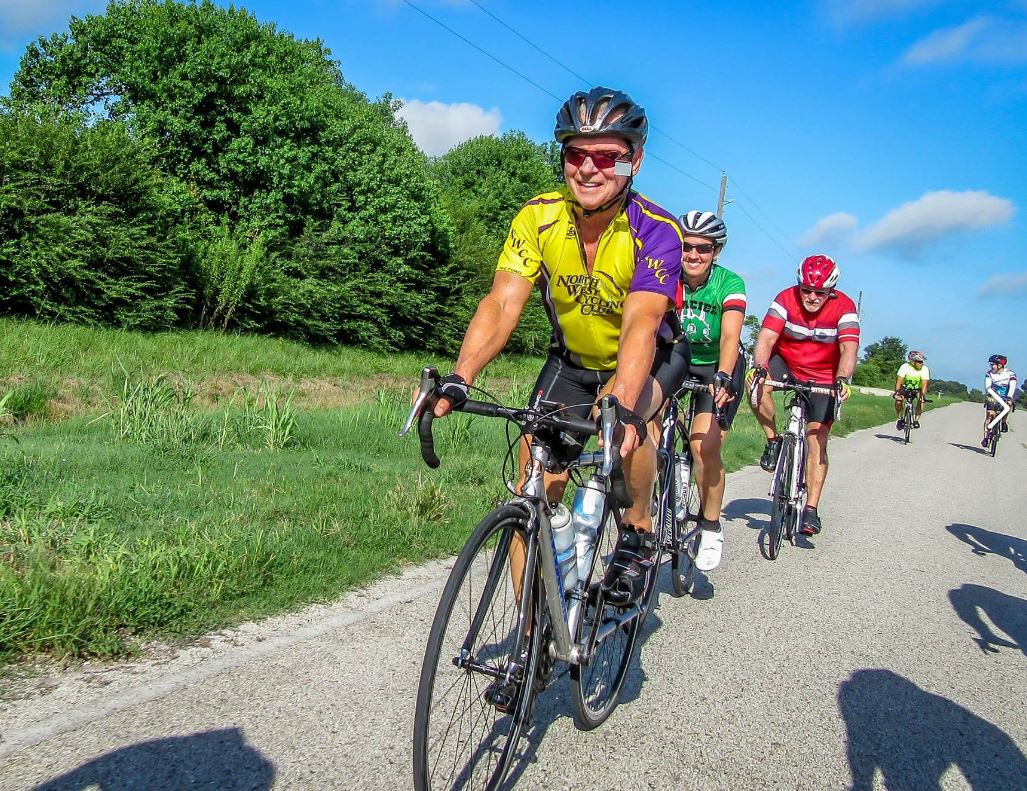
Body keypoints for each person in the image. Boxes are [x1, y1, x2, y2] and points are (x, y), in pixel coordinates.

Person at [433, 87, 686, 606]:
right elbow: (503, 303)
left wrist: (620, 402)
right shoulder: (537, 217)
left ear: (634, 161)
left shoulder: (657, 230)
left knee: (630, 428)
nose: (588, 169)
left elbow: (642, 324)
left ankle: (637, 532)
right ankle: (532, 643)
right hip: (570, 362)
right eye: (576, 154)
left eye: (606, 156)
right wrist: (463, 375)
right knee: (533, 485)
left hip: (648, 356)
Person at [747, 254, 859, 537]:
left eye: (819, 292)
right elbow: (767, 338)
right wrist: (760, 367)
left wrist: (843, 378)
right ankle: (773, 441)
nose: (811, 297)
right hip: (787, 363)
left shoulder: (845, 307)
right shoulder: (785, 298)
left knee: (816, 438)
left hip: (824, 375)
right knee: (757, 389)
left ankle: (810, 508)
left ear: (830, 291)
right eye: (806, 290)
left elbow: (848, 350)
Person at [674, 210, 745, 571]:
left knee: (705, 445)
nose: (693, 255)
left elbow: (731, 336)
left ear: (716, 252)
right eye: (686, 246)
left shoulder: (729, 282)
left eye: (703, 248)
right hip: (676, 358)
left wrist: (723, 376)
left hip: (716, 364)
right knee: (643, 429)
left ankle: (711, 525)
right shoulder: (667, 275)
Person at [982, 354, 1017, 446]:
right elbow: (988, 386)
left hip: (1006, 396)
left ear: (1000, 365)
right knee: (989, 416)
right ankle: (986, 437)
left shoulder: (1010, 374)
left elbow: (1012, 386)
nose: (990, 366)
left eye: (992, 364)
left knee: (1007, 407)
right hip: (993, 396)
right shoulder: (989, 374)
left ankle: (1004, 422)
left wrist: (1010, 397)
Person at [894, 350, 930, 430]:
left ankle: (916, 420)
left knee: (921, 400)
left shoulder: (925, 369)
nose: (921, 364)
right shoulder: (905, 367)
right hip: (905, 387)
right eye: (919, 362)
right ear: (913, 362)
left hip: (917, 389)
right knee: (898, 402)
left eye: (922, 362)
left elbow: (924, 384)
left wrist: (923, 396)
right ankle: (900, 418)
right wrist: (897, 392)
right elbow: (899, 381)